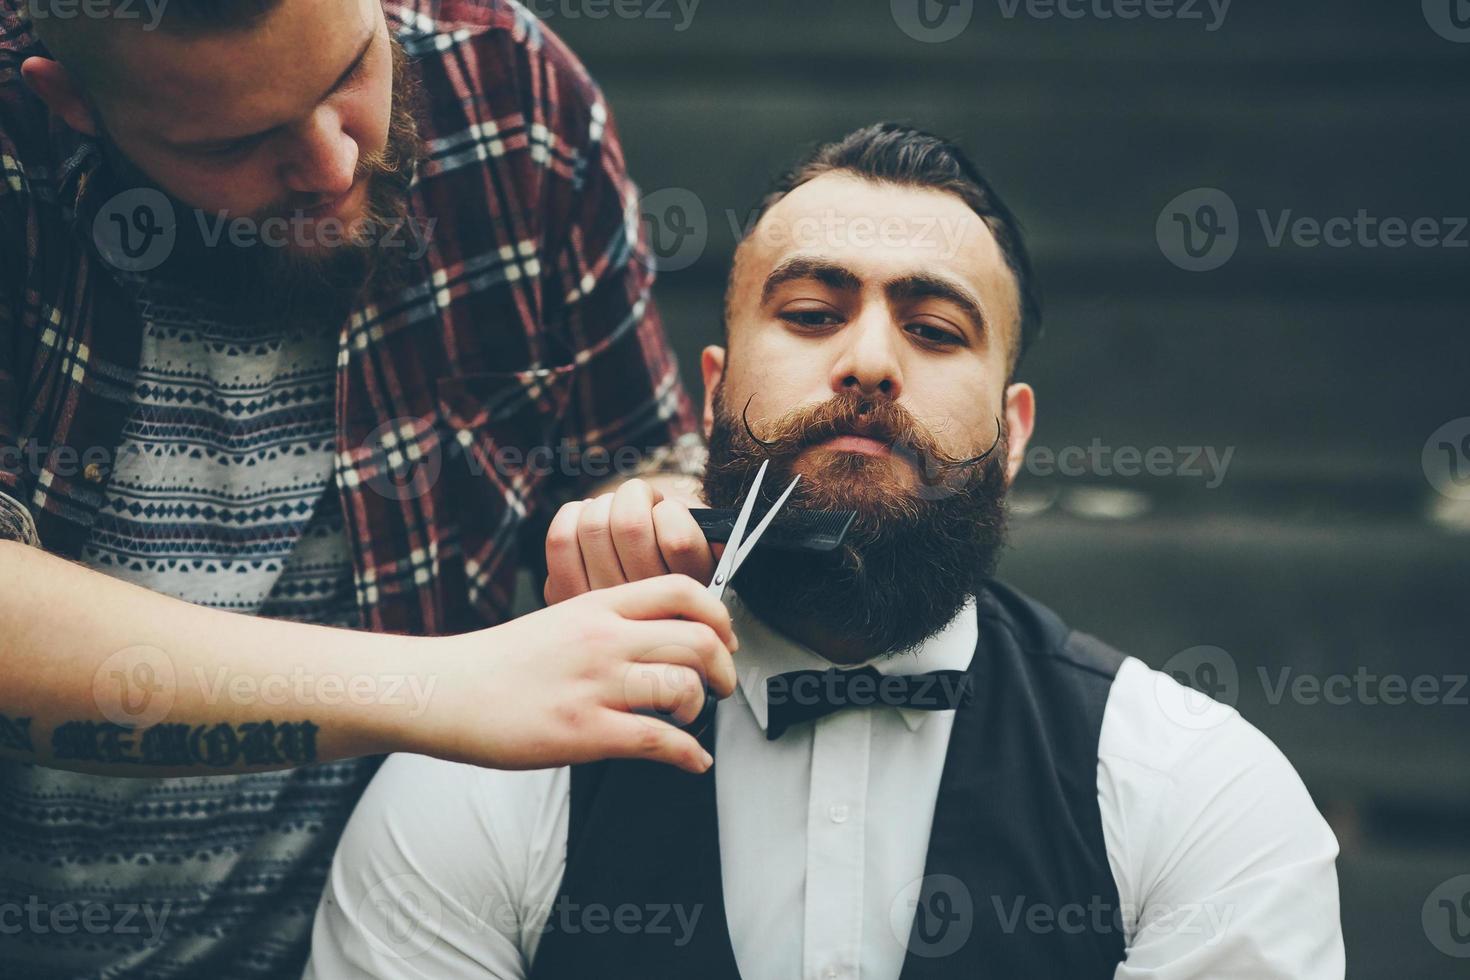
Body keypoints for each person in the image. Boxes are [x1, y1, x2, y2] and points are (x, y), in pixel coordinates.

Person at [305, 123, 1346, 978]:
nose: (870, 361)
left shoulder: (1199, 794)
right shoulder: (495, 779)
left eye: (937, 329)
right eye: (811, 312)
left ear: (1015, 431)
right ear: (713, 390)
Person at [0, 0, 736, 975]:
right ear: (73, 102)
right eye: (239, 142)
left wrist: (644, 512)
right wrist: (447, 684)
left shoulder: (512, 95)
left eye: (351, 70)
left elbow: (646, 454)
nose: (335, 163)